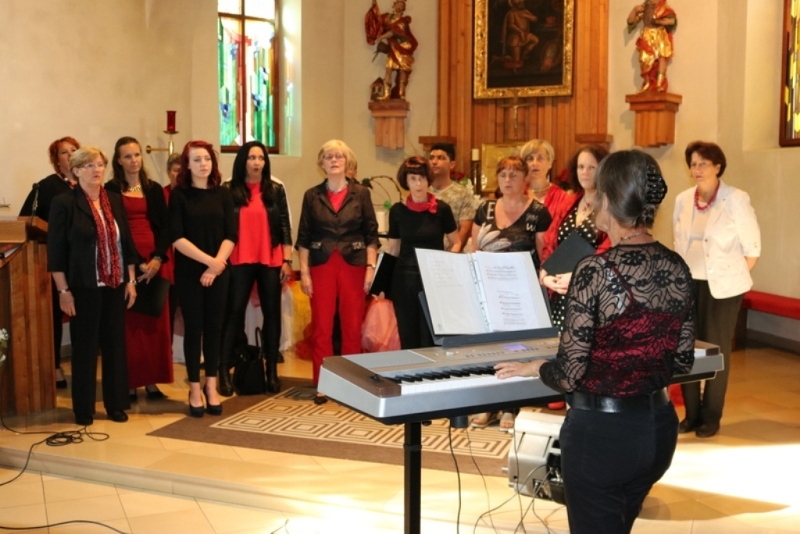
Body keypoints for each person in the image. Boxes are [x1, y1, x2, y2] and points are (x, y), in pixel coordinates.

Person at [496, 150, 694, 534]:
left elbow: (569, 374)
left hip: (602, 438)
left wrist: (538, 366)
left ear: (608, 199)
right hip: (658, 430)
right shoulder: (676, 266)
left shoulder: (595, 270)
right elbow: (682, 360)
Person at [673, 141, 760, 438]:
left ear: (718, 167)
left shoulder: (736, 199)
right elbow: (679, 244)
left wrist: (732, 279)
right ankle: (691, 414)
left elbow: (752, 248)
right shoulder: (683, 199)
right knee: (686, 348)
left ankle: (711, 416)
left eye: (704, 164)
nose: (697, 169)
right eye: (693, 164)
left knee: (715, 351)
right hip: (689, 284)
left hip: (723, 288)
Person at [47, 146, 139, 426]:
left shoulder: (114, 200)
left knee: (114, 345)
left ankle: (116, 404)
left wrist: (131, 280)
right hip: (83, 286)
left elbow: (126, 244)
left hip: (115, 283)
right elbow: (56, 253)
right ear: (76, 171)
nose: (97, 170)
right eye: (89, 165)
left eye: (100, 164)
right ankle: (84, 409)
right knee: (85, 348)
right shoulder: (65, 203)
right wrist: (63, 291)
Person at [470, 156, 552, 430]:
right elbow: (475, 249)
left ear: (525, 179)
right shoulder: (485, 209)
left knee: (515, 348)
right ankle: (488, 404)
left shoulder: (538, 212)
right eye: (503, 174)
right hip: (489, 289)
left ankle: (509, 407)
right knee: (488, 348)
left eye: (514, 175)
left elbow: (543, 255)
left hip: (521, 292)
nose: (507, 180)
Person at [296, 140, 379, 404]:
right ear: (321, 163)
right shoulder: (311, 195)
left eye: (339, 156)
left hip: (354, 264)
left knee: (351, 326)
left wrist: (370, 269)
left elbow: (371, 235)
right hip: (321, 265)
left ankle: (350, 383)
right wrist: (304, 273)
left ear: (347, 162)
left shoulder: (361, 193)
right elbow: (303, 237)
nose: (334, 160)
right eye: (328, 156)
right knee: (322, 327)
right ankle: (324, 383)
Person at [219, 141, 293, 396]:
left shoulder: (275, 189)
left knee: (272, 315)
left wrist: (287, 260)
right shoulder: (229, 189)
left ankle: (271, 371)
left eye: (261, 158)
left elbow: (284, 224)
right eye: (252, 157)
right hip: (238, 258)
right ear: (243, 161)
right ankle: (223, 372)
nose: (257, 162)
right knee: (233, 314)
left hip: (270, 258)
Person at [170, 141, 237, 417]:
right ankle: (195, 389)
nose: (203, 164)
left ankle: (211, 386)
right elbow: (176, 238)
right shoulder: (179, 195)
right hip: (190, 273)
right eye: (196, 160)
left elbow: (231, 234)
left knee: (214, 329)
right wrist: (210, 262)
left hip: (219, 272)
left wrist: (217, 265)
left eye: (207, 159)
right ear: (187, 165)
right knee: (194, 329)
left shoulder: (223, 193)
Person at [105, 137, 173, 402]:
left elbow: (166, 227)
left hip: (155, 261)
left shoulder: (152, 188)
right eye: (127, 156)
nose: (134, 160)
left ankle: (152, 381)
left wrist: (157, 257)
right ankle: (130, 381)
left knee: (155, 324)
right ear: (118, 161)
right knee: (129, 325)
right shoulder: (110, 189)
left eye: (136, 155)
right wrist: (136, 259)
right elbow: (114, 229)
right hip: (126, 258)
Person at [19, 136, 81, 390]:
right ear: (56, 160)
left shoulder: (89, 182)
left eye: (74, 150)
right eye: (64, 152)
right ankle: (54, 365)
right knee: (55, 315)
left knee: (84, 315)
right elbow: (26, 220)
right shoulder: (46, 186)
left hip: (84, 260)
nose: (70, 154)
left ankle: (83, 364)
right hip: (56, 260)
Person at [384, 156, 460, 349]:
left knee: (432, 334)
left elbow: (456, 242)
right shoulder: (397, 211)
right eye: (413, 179)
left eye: (422, 178)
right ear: (406, 182)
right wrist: (382, 283)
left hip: (433, 279)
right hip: (404, 280)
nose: (418, 184)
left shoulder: (442, 209)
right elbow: (393, 249)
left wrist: (446, 266)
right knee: (408, 334)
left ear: (428, 180)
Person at [539, 145, 611, 330]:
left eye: (591, 167)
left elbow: (610, 251)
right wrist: (545, 274)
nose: (585, 172)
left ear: (603, 170)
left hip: (590, 294)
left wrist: (579, 276)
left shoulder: (610, 206)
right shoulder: (569, 202)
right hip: (560, 293)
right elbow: (551, 242)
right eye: (581, 167)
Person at [365, 0, 418, 100]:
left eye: (402, 5)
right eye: (398, 4)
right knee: (388, 70)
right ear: (394, 5)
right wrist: (374, 8)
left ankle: (401, 94)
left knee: (402, 70)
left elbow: (394, 32)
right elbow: (377, 22)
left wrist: (382, 37)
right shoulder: (387, 18)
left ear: (403, 9)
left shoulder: (403, 21)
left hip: (403, 48)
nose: (399, 6)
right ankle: (386, 94)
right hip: (392, 49)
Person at [428, 143, 476, 251]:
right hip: (425, 252)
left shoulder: (462, 193)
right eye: (431, 158)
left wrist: (450, 255)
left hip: (451, 253)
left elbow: (465, 229)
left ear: (452, 164)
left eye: (441, 158)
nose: (434, 162)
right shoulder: (422, 192)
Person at [627, 0, 677, 92]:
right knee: (644, 59)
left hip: (660, 34)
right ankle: (647, 82)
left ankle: (659, 84)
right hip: (647, 35)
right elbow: (631, 22)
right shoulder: (645, 7)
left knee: (662, 57)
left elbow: (672, 20)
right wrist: (634, 10)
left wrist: (663, 22)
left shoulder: (663, 7)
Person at [162, 152, 181, 337]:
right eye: (176, 170)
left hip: (190, 262)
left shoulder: (193, 195)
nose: (179, 175)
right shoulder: (161, 195)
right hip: (169, 262)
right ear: (168, 172)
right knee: (168, 310)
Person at [519, 139, 567, 208]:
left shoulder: (561, 197)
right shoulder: (518, 194)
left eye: (540, 158)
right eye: (530, 159)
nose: (535, 163)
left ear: (550, 163)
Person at [502, 0, 539, 69]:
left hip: (525, 34)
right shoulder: (511, 13)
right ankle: (499, 58)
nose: (521, 4)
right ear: (514, 4)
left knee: (535, 40)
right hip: (515, 36)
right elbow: (511, 25)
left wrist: (526, 16)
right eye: (519, 3)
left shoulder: (525, 11)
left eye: (521, 2)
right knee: (516, 60)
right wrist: (520, 32)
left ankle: (523, 55)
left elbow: (535, 19)